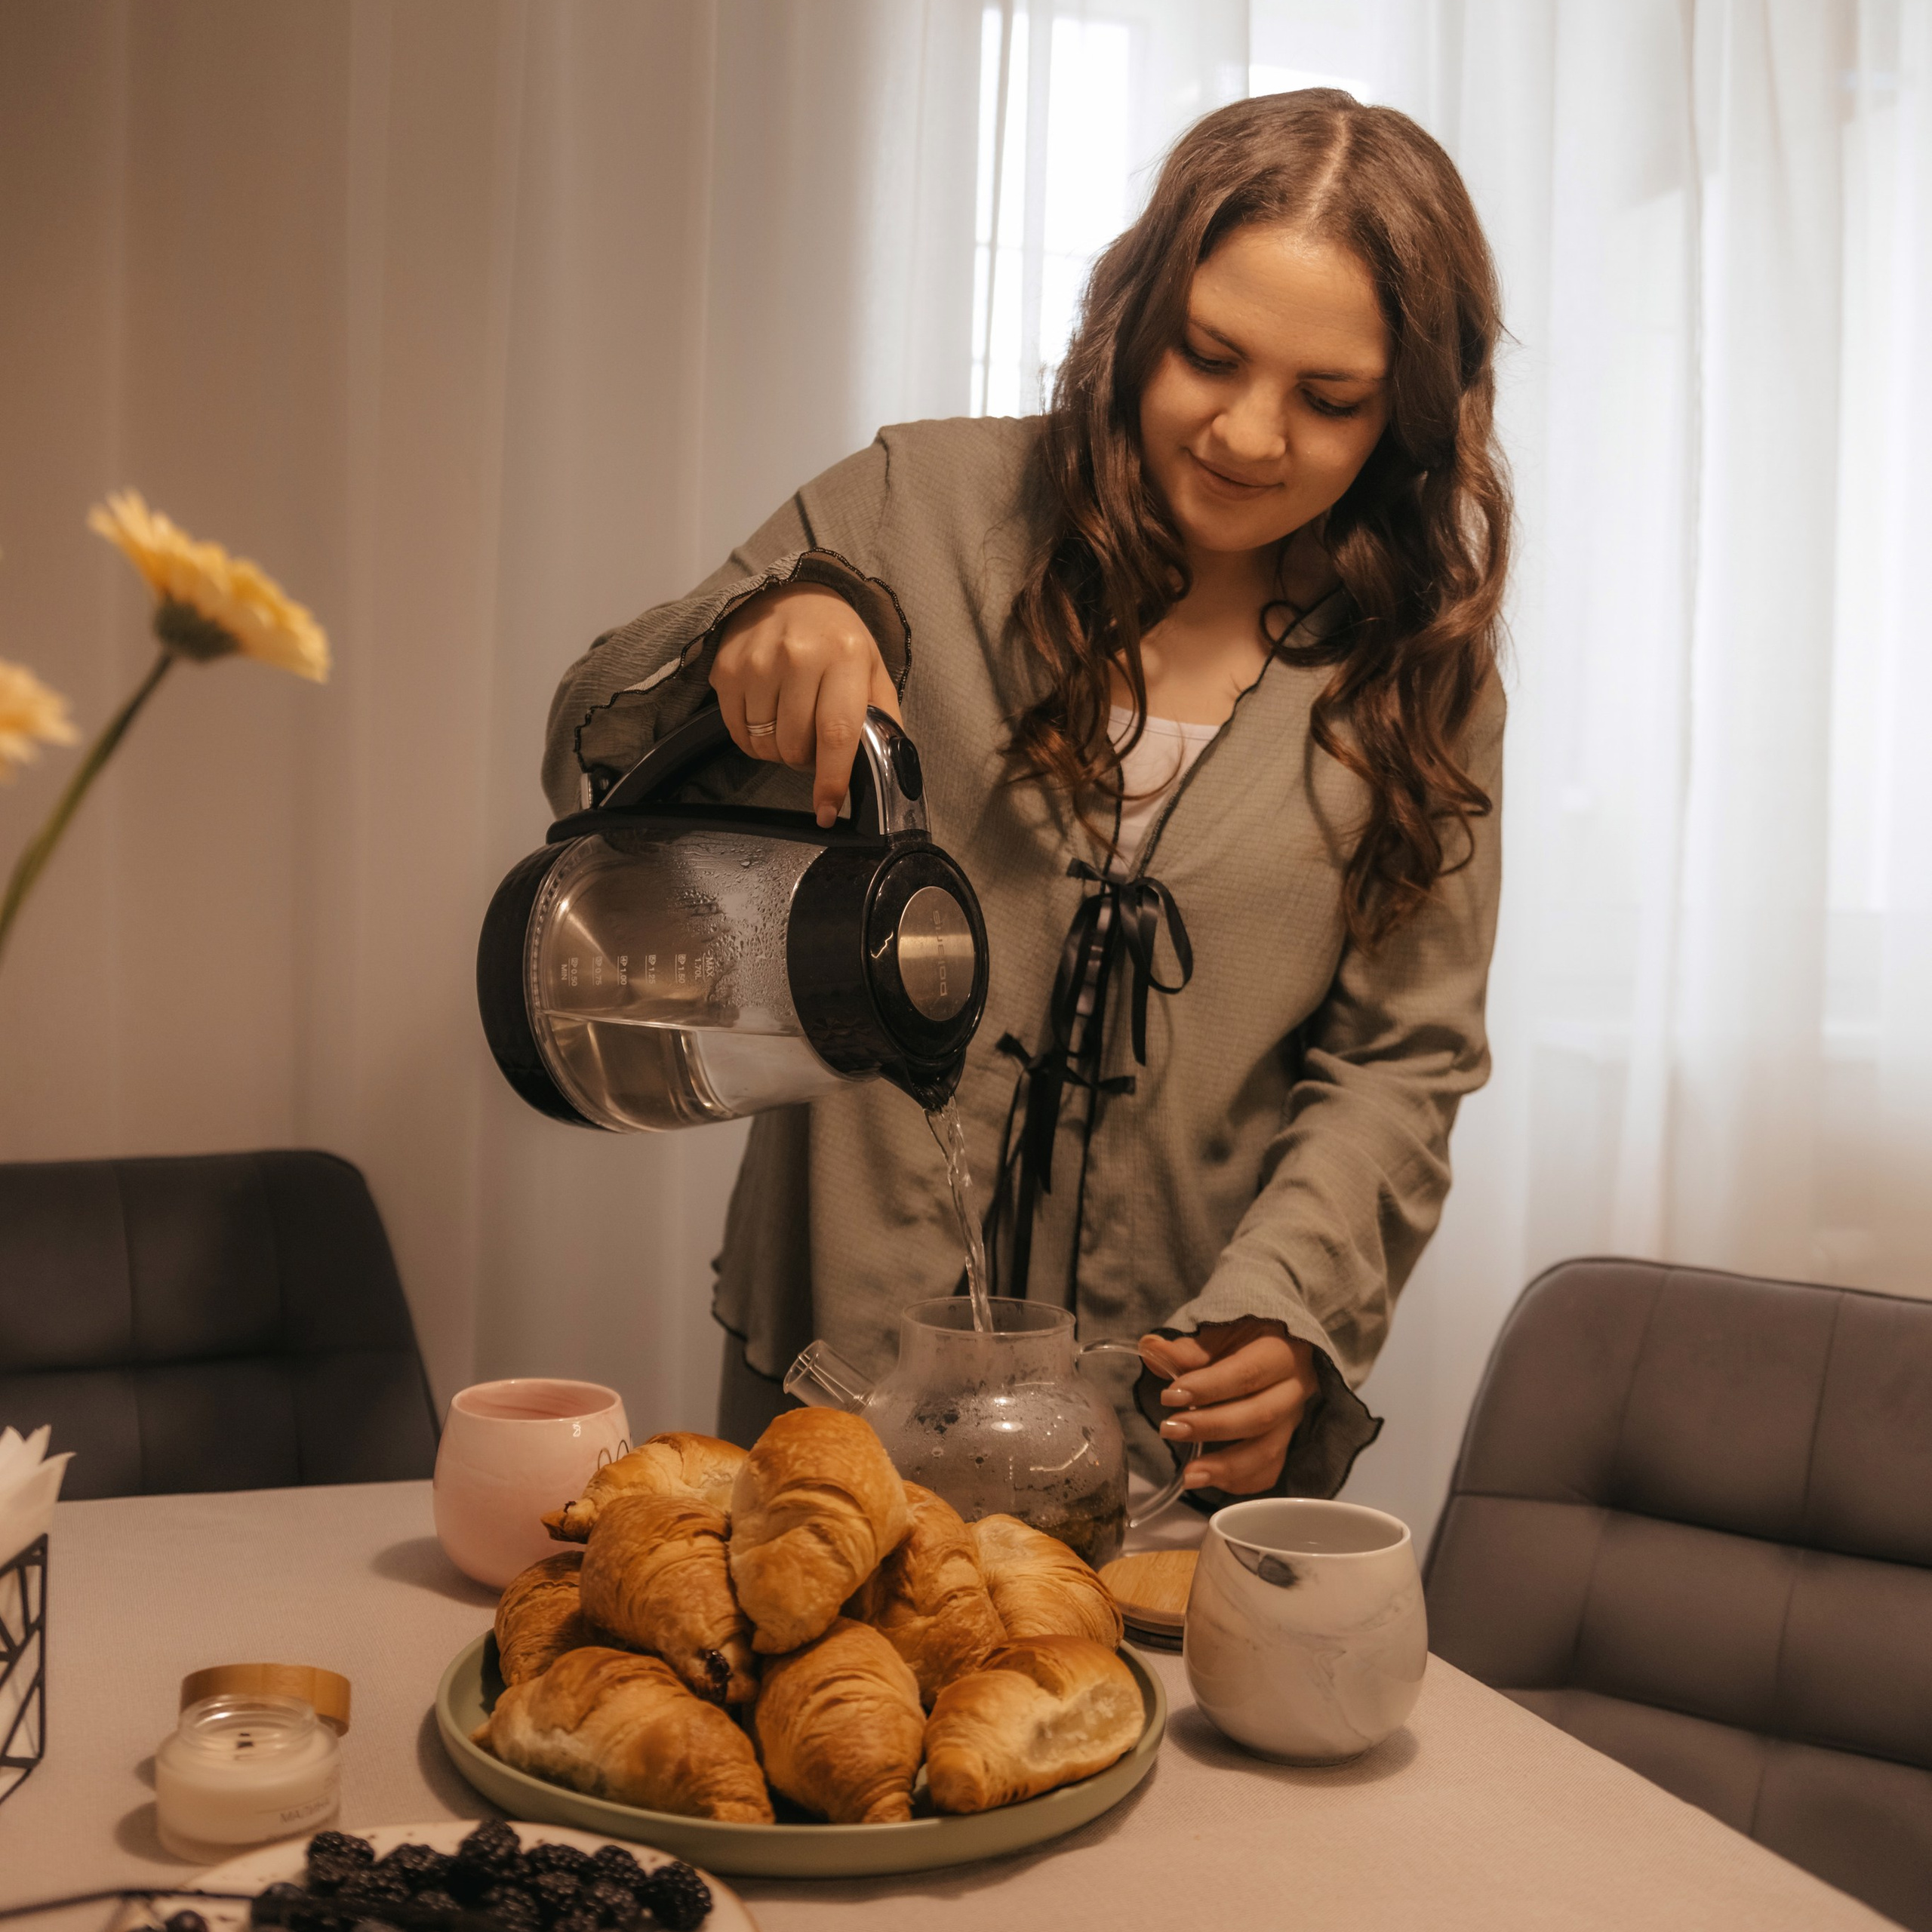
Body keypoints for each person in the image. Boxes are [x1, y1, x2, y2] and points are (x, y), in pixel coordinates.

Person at [542, 90, 1508, 1507]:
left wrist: (1291, 1308)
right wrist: (752, 640)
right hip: (840, 1387)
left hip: (1175, 1428)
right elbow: (588, 744)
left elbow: (1400, 1058)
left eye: (1329, 399)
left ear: (1411, 414)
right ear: (1138, 312)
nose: (1250, 435)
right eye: (1210, 356)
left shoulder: (1420, 673)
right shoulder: (912, 508)